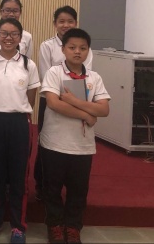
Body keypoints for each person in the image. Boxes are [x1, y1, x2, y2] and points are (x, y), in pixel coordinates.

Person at [40, 28, 110, 244]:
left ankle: (72, 227)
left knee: (78, 191)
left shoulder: (94, 77)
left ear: (88, 51)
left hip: (82, 146)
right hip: (54, 142)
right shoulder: (54, 73)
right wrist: (87, 114)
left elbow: (104, 109)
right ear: (63, 49)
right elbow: (53, 103)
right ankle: (55, 226)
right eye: (72, 47)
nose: (77, 52)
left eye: (83, 48)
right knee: (51, 189)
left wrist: (73, 101)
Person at [0, 18, 40, 244]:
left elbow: (31, 98)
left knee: (18, 175)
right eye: (4, 33)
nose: (8, 38)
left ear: (20, 38)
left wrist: (18, 110)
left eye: (14, 34)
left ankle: (18, 225)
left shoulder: (28, 65)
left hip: (18, 122)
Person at [34, 6, 94, 201]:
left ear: (75, 23)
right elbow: (45, 74)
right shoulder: (47, 46)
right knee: (46, 143)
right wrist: (60, 98)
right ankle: (42, 185)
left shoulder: (85, 47)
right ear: (55, 24)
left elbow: (84, 75)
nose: (65, 25)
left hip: (78, 99)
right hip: (50, 99)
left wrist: (72, 100)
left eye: (70, 21)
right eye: (61, 21)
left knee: (73, 141)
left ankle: (71, 184)